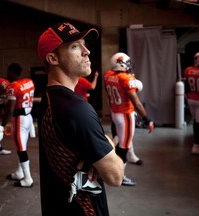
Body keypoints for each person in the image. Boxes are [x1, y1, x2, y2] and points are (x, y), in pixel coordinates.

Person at [37, 22, 124, 216]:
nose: (87, 52)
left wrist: (95, 151)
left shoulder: (50, 98)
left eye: (84, 44)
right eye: (75, 46)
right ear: (53, 58)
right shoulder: (76, 110)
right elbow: (116, 176)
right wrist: (106, 143)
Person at [103, 52, 155, 186]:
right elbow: (137, 103)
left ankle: (129, 158)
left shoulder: (108, 75)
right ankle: (120, 176)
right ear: (120, 64)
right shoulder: (126, 78)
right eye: (127, 63)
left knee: (122, 139)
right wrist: (147, 119)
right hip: (125, 114)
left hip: (115, 112)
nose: (129, 65)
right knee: (123, 145)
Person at [3, 63, 36, 188]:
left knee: (21, 149)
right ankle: (19, 172)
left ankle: (28, 179)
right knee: (21, 147)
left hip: (19, 120)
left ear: (11, 72)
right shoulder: (29, 82)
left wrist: (2, 125)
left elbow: (10, 109)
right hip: (28, 117)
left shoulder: (13, 86)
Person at [183, 52, 199, 155]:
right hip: (198, 100)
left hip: (190, 99)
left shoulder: (188, 70)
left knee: (195, 121)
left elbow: (185, 84)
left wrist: (186, 95)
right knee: (198, 123)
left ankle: (196, 144)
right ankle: (196, 145)